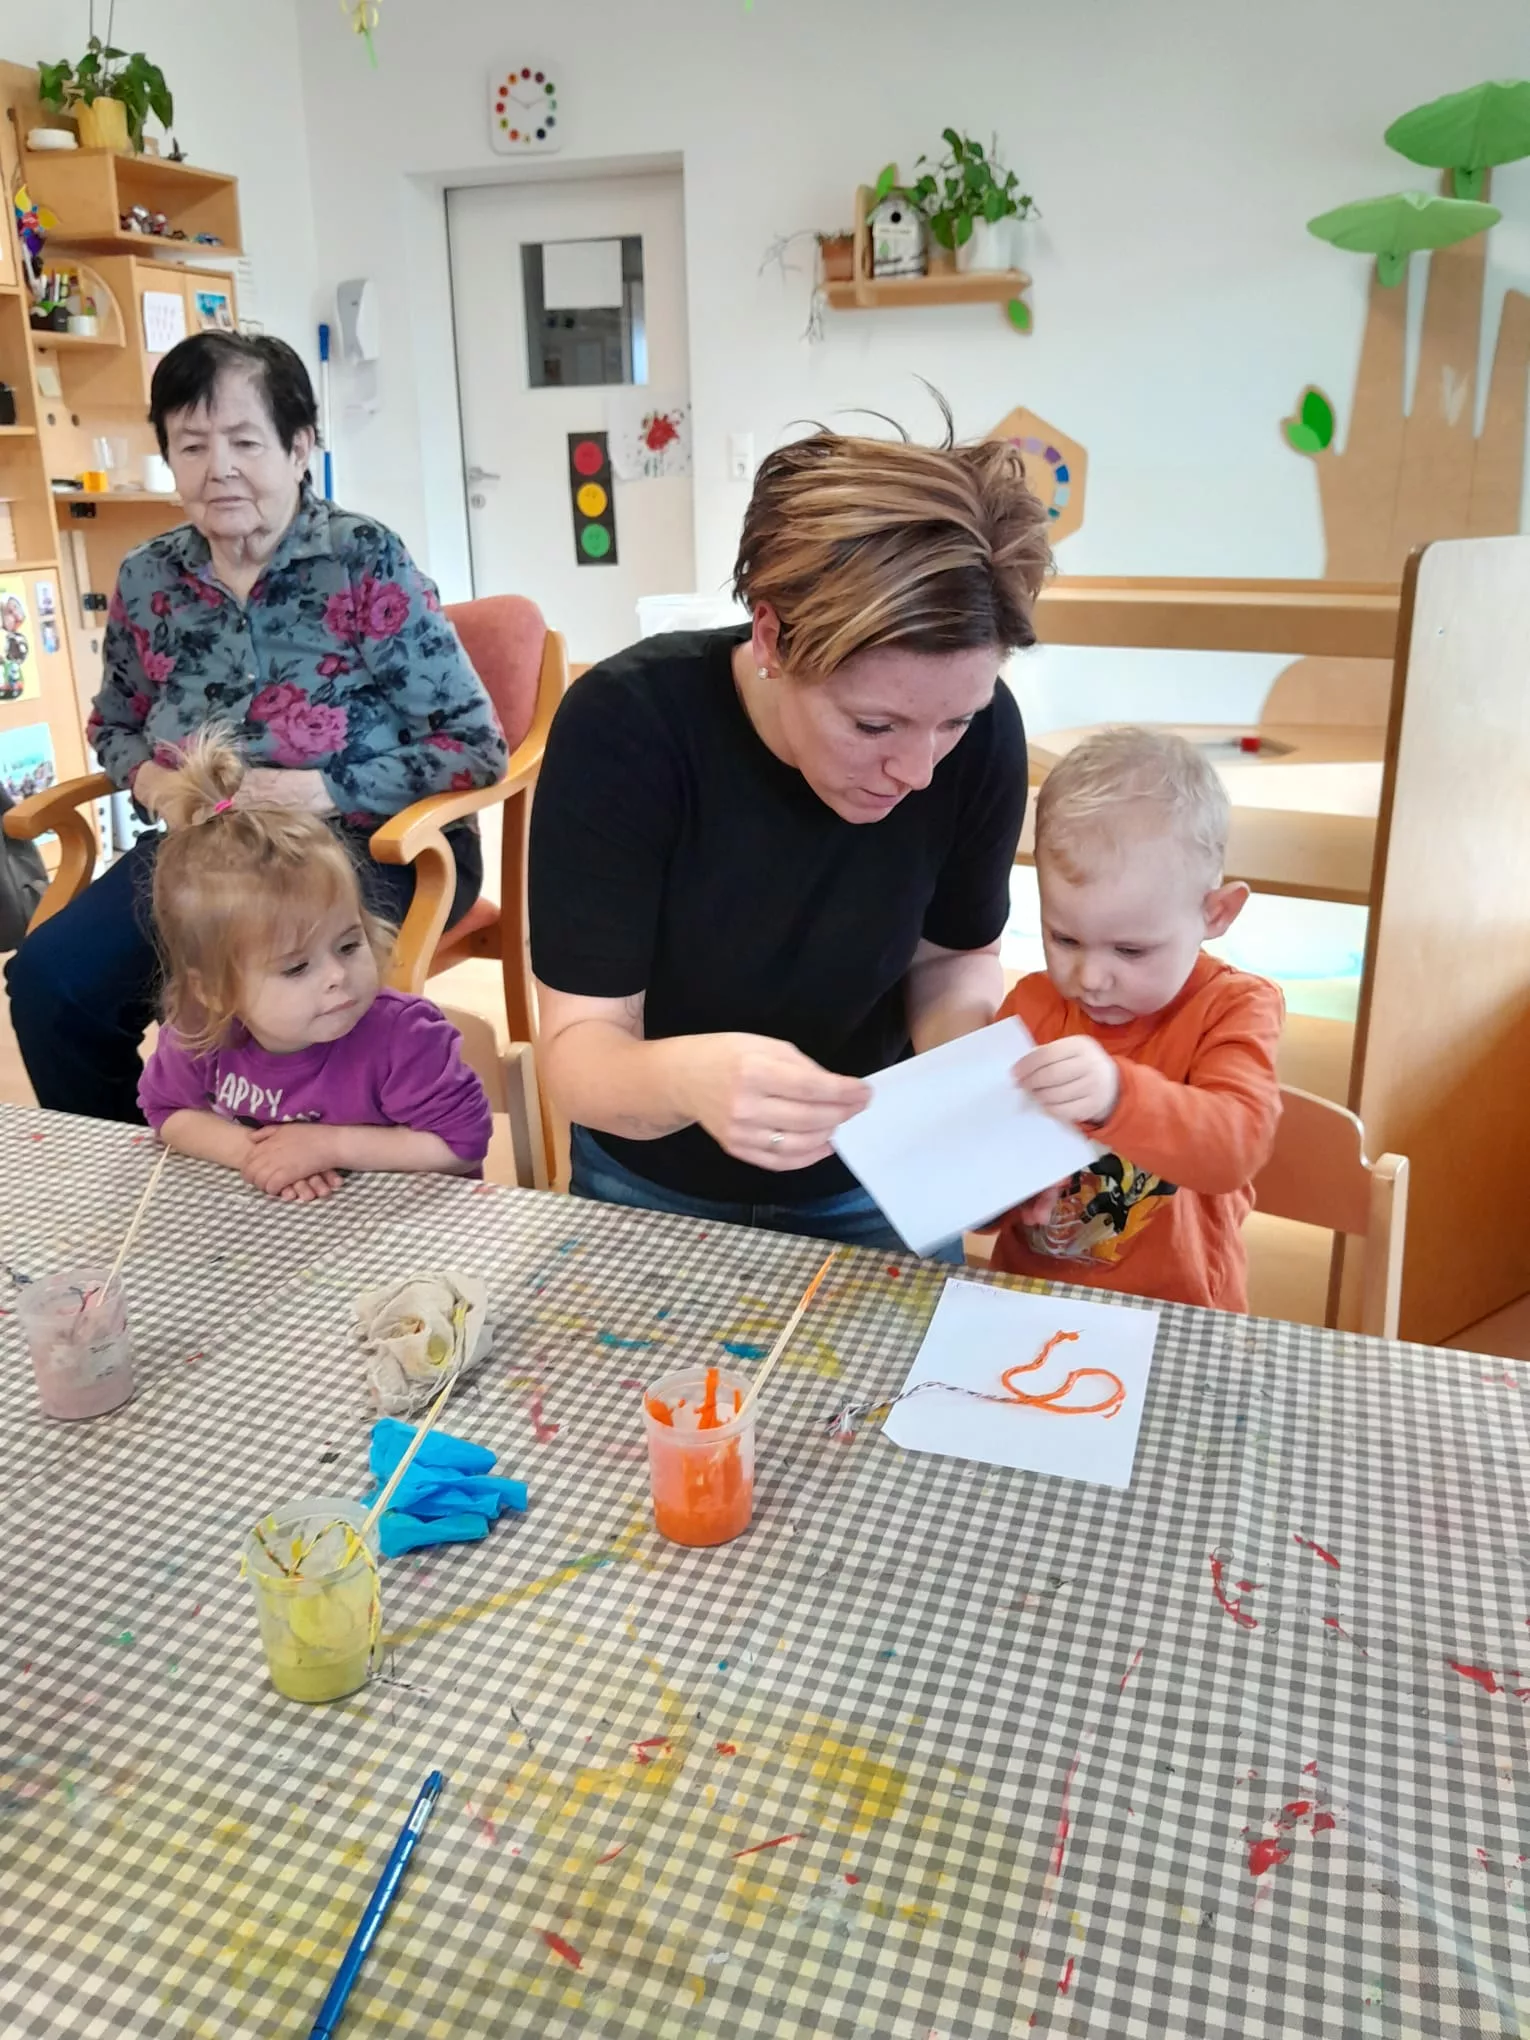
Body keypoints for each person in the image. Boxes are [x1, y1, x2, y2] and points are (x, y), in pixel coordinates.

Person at [529, 419, 1050, 1254]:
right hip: (650, 1181)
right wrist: (690, 1080)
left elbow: (952, 959)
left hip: (879, 1174)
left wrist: (975, 1096)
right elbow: (579, 1054)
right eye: (874, 724)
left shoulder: (984, 740)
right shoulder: (626, 729)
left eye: (955, 720)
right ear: (771, 638)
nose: (918, 771)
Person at [6, 330, 507, 1123]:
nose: (219, 468)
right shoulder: (147, 577)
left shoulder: (362, 558)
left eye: (245, 441)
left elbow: (475, 748)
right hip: (206, 849)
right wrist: (154, 782)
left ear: (299, 447)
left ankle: (321, 1173)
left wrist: (319, 790)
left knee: (284, 981)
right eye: (192, 445)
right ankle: (150, 1159)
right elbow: (117, 724)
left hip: (367, 844)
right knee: (52, 981)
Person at [992, 726, 1284, 1310]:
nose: (1090, 978)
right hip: (1025, 1301)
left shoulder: (1233, 1007)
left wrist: (1115, 1096)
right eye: (1065, 938)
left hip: (1177, 1316)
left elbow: (1235, 1147)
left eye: (1130, 950)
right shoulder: (1031, 1005)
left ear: (1216, 914)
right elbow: (978, 1179)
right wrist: (1000, 1190)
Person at [138, 728, 490, 1201]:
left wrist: (329, 1146)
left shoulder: (405, 1038)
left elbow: (462, 1144)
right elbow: (166, 1111)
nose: (337, 976)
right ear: (215, 992)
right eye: (295, 968)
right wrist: (258, 1154)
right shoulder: (201, 1032)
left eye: (348, 945)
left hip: (408, 1229)